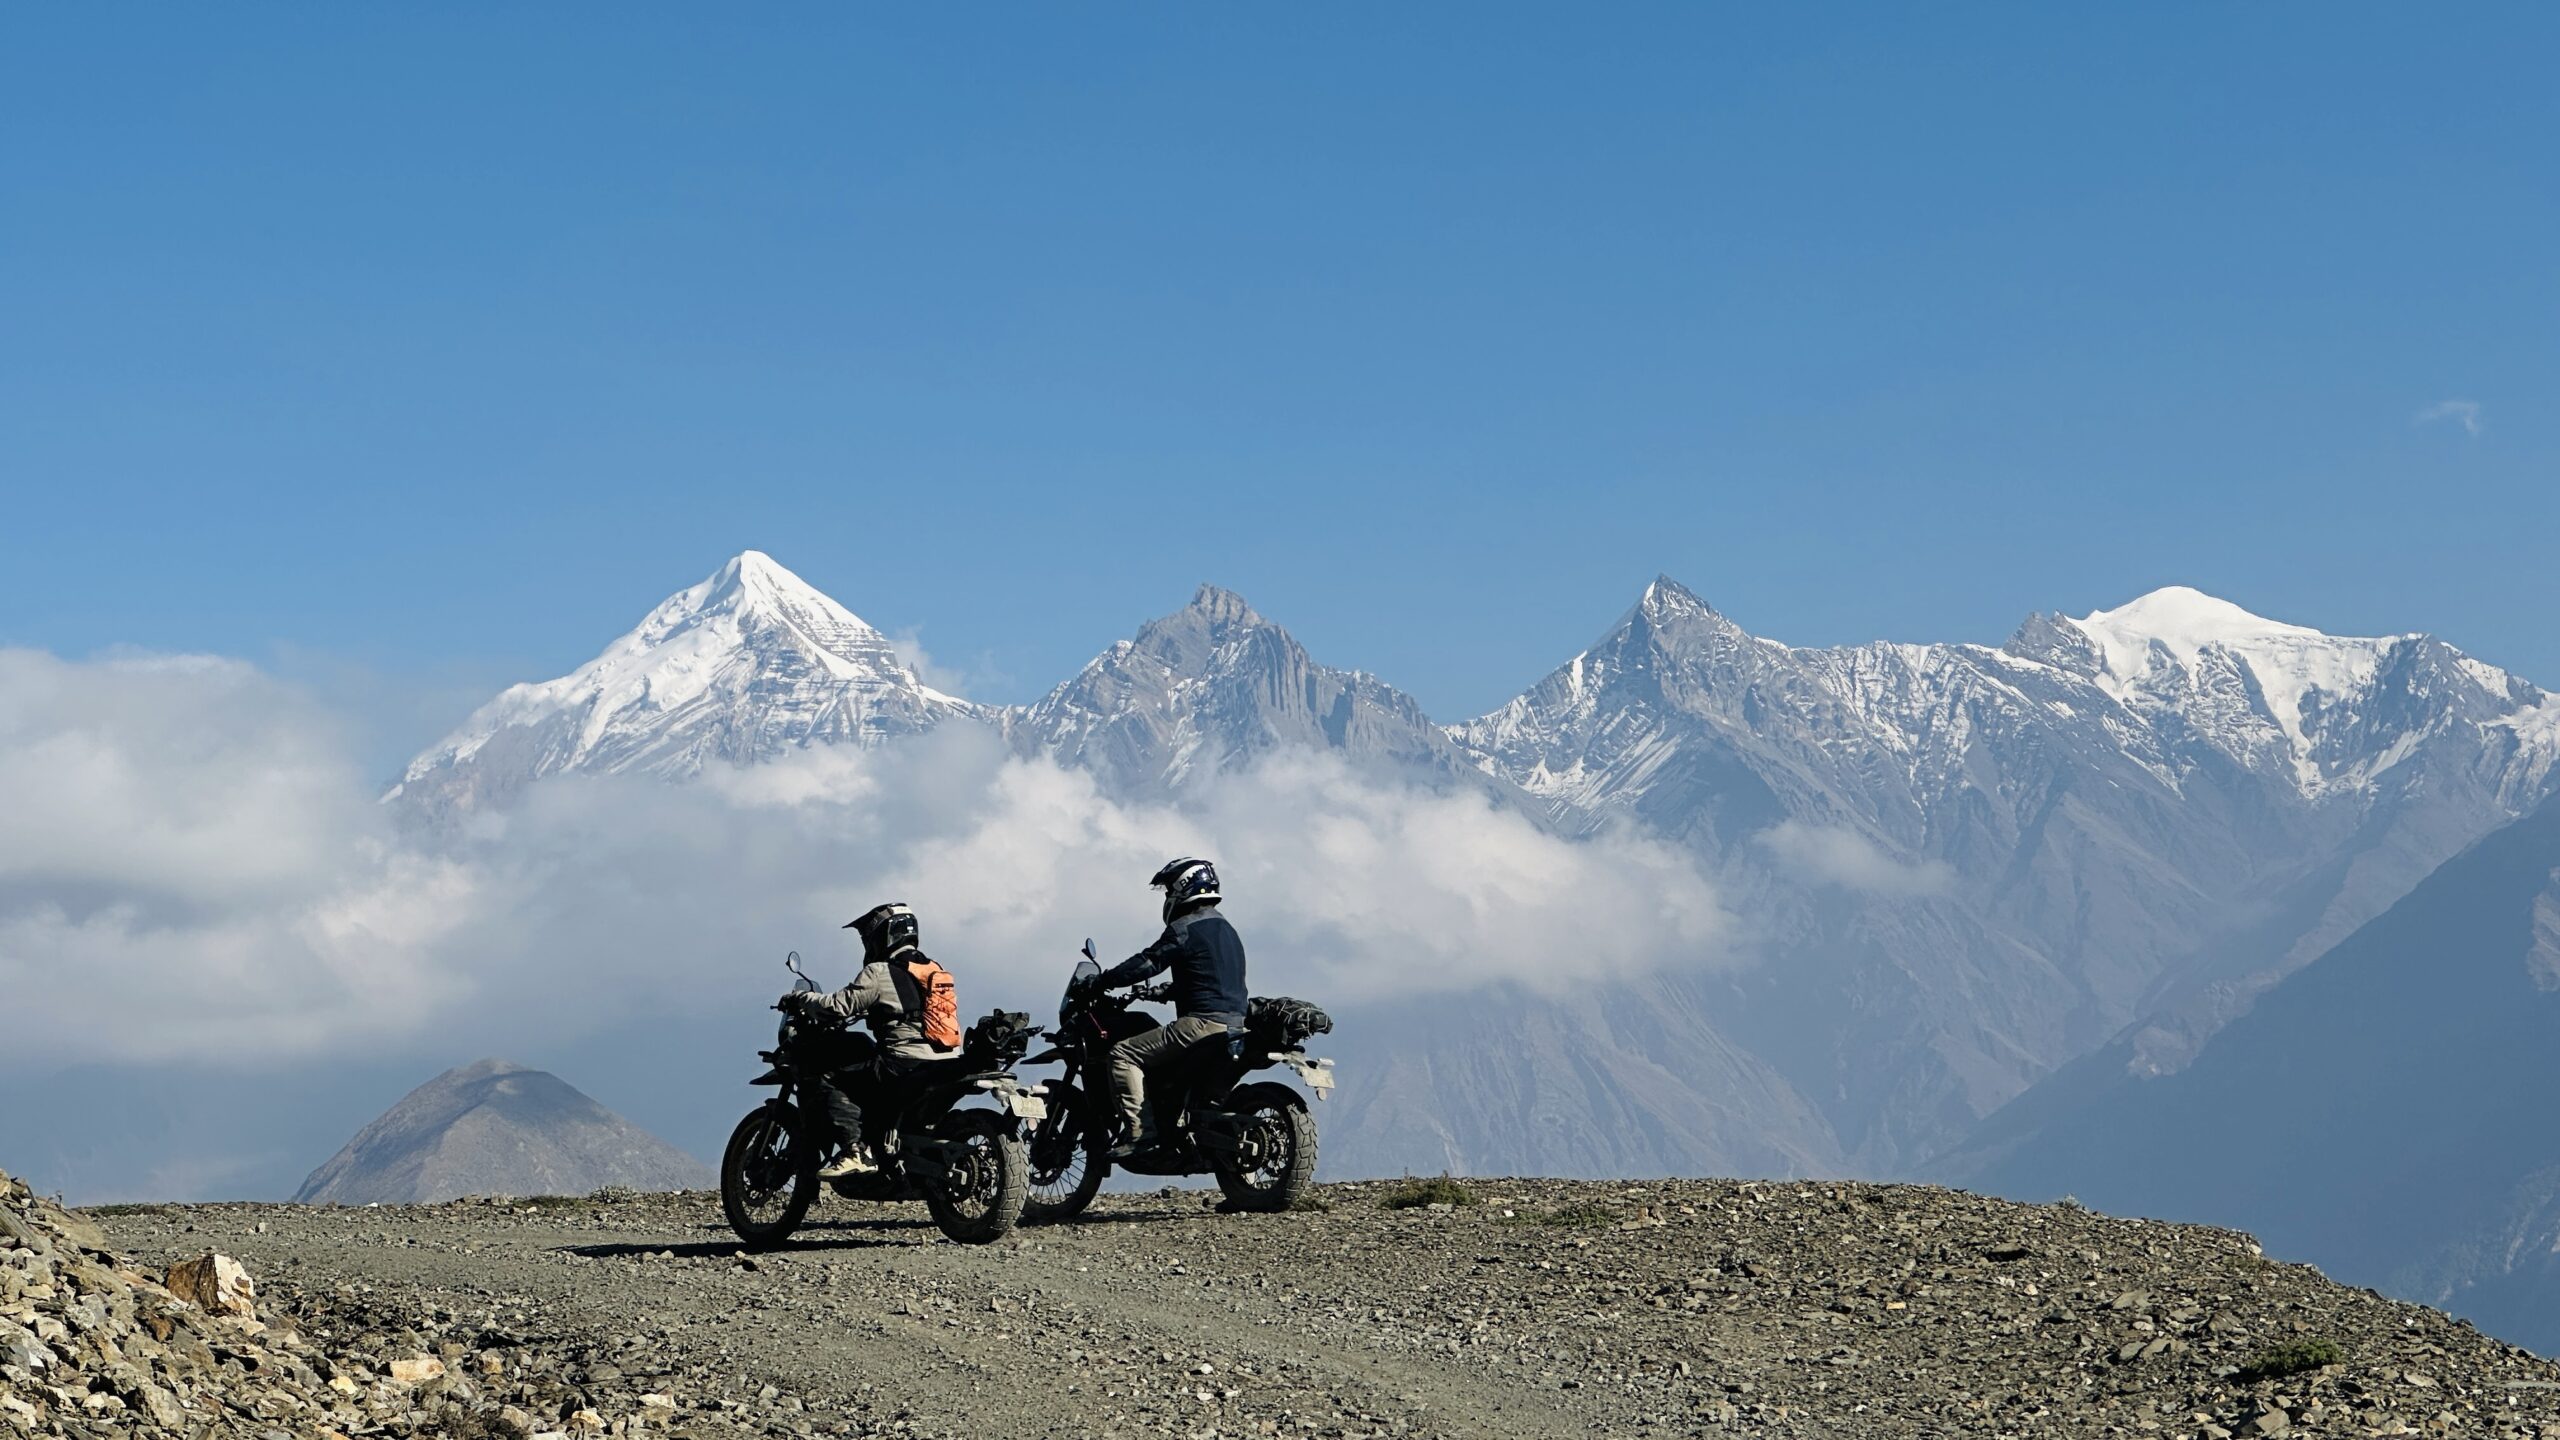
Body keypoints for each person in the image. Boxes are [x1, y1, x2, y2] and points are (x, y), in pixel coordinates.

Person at [1082, 857, 1248, 1161]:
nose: (1168, 897)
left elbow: (1149, 962)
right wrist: (1162, 993)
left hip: (1201, 1024)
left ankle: (1141, 1134)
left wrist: (1104, 980)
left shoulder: (1186, 928)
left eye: (1169, 890)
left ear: (1183, 887)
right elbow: (1209, 980)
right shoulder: (1226, 929)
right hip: (1235, 1023)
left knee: (1122, 1054)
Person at [782, 901, 961, 1178]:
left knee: (825, 1073)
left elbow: (837, 1006)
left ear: (883, 936)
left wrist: (802, 998)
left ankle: (855, 1151)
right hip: (944, 1060)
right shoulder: (933, 969)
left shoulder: (878, 972)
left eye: (868, 938)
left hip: (902, 1062)